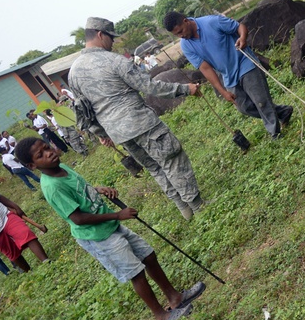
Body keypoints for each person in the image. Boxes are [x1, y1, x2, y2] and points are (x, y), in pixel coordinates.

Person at [16, 137, 205, 320]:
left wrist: (98, 190)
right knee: (136, 273)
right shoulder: (53, 187)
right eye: (41, 155)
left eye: (47, 147)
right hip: (98, 236)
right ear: (32, 165)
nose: (49, 153)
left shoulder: (62, 167)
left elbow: (82, 190)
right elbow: (78, 218)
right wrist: (118, 215)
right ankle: (161, 316)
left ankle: (175, 297)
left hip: (109, 224)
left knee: (148, 256)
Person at [68, 17, 207, 220]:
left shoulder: (73, 73)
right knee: (172, 158)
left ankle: (183, 208)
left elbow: (84, 110)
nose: (113, 42)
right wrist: (186, 89)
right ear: (100, 34)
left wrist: (101, 133)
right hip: (141, 123)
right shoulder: (114, 61)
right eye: (111, 37)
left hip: (118, 133)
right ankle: (197, 205)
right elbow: (150, 87)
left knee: (154, 167)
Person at [163, 12, 294, 140]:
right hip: (228, 75)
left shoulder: (212, 22)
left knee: (261, 101)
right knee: (244, 107)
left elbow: (240, 27)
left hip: (245, 63)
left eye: (181, 31)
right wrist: (223, 91)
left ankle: (275, 133)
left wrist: (242, 38)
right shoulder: (186, 45)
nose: (181, 36)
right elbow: (206, 68)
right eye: (177, 35)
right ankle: (283, 112)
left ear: (186, 21)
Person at [0, 190, 49, 272]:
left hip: (6, 216)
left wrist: (16, 207)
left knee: (25, 233)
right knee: (12, 253)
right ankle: (29, 272)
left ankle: (46, 261)